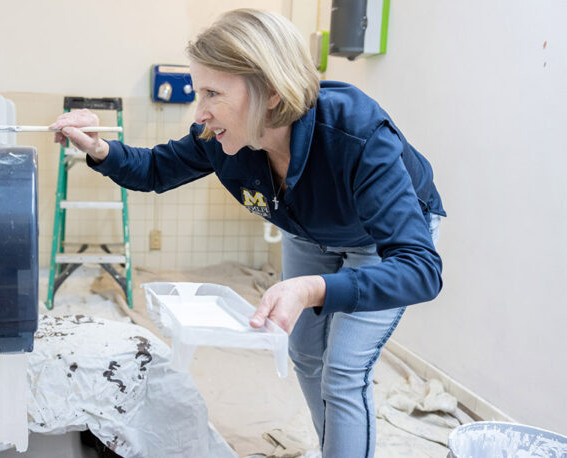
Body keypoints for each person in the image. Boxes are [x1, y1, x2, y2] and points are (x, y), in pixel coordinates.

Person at [50, 8, 445, 458]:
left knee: (342, 371)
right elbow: (156, 168)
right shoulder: (220, 138)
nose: (200, 112)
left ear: (271, 92)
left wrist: (313, 288)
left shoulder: (358, 134)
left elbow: (420, 270)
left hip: (379, 242)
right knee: (305, 355)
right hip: (309, 229)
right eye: (200, 92)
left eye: (213, 93)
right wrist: (99, 148)